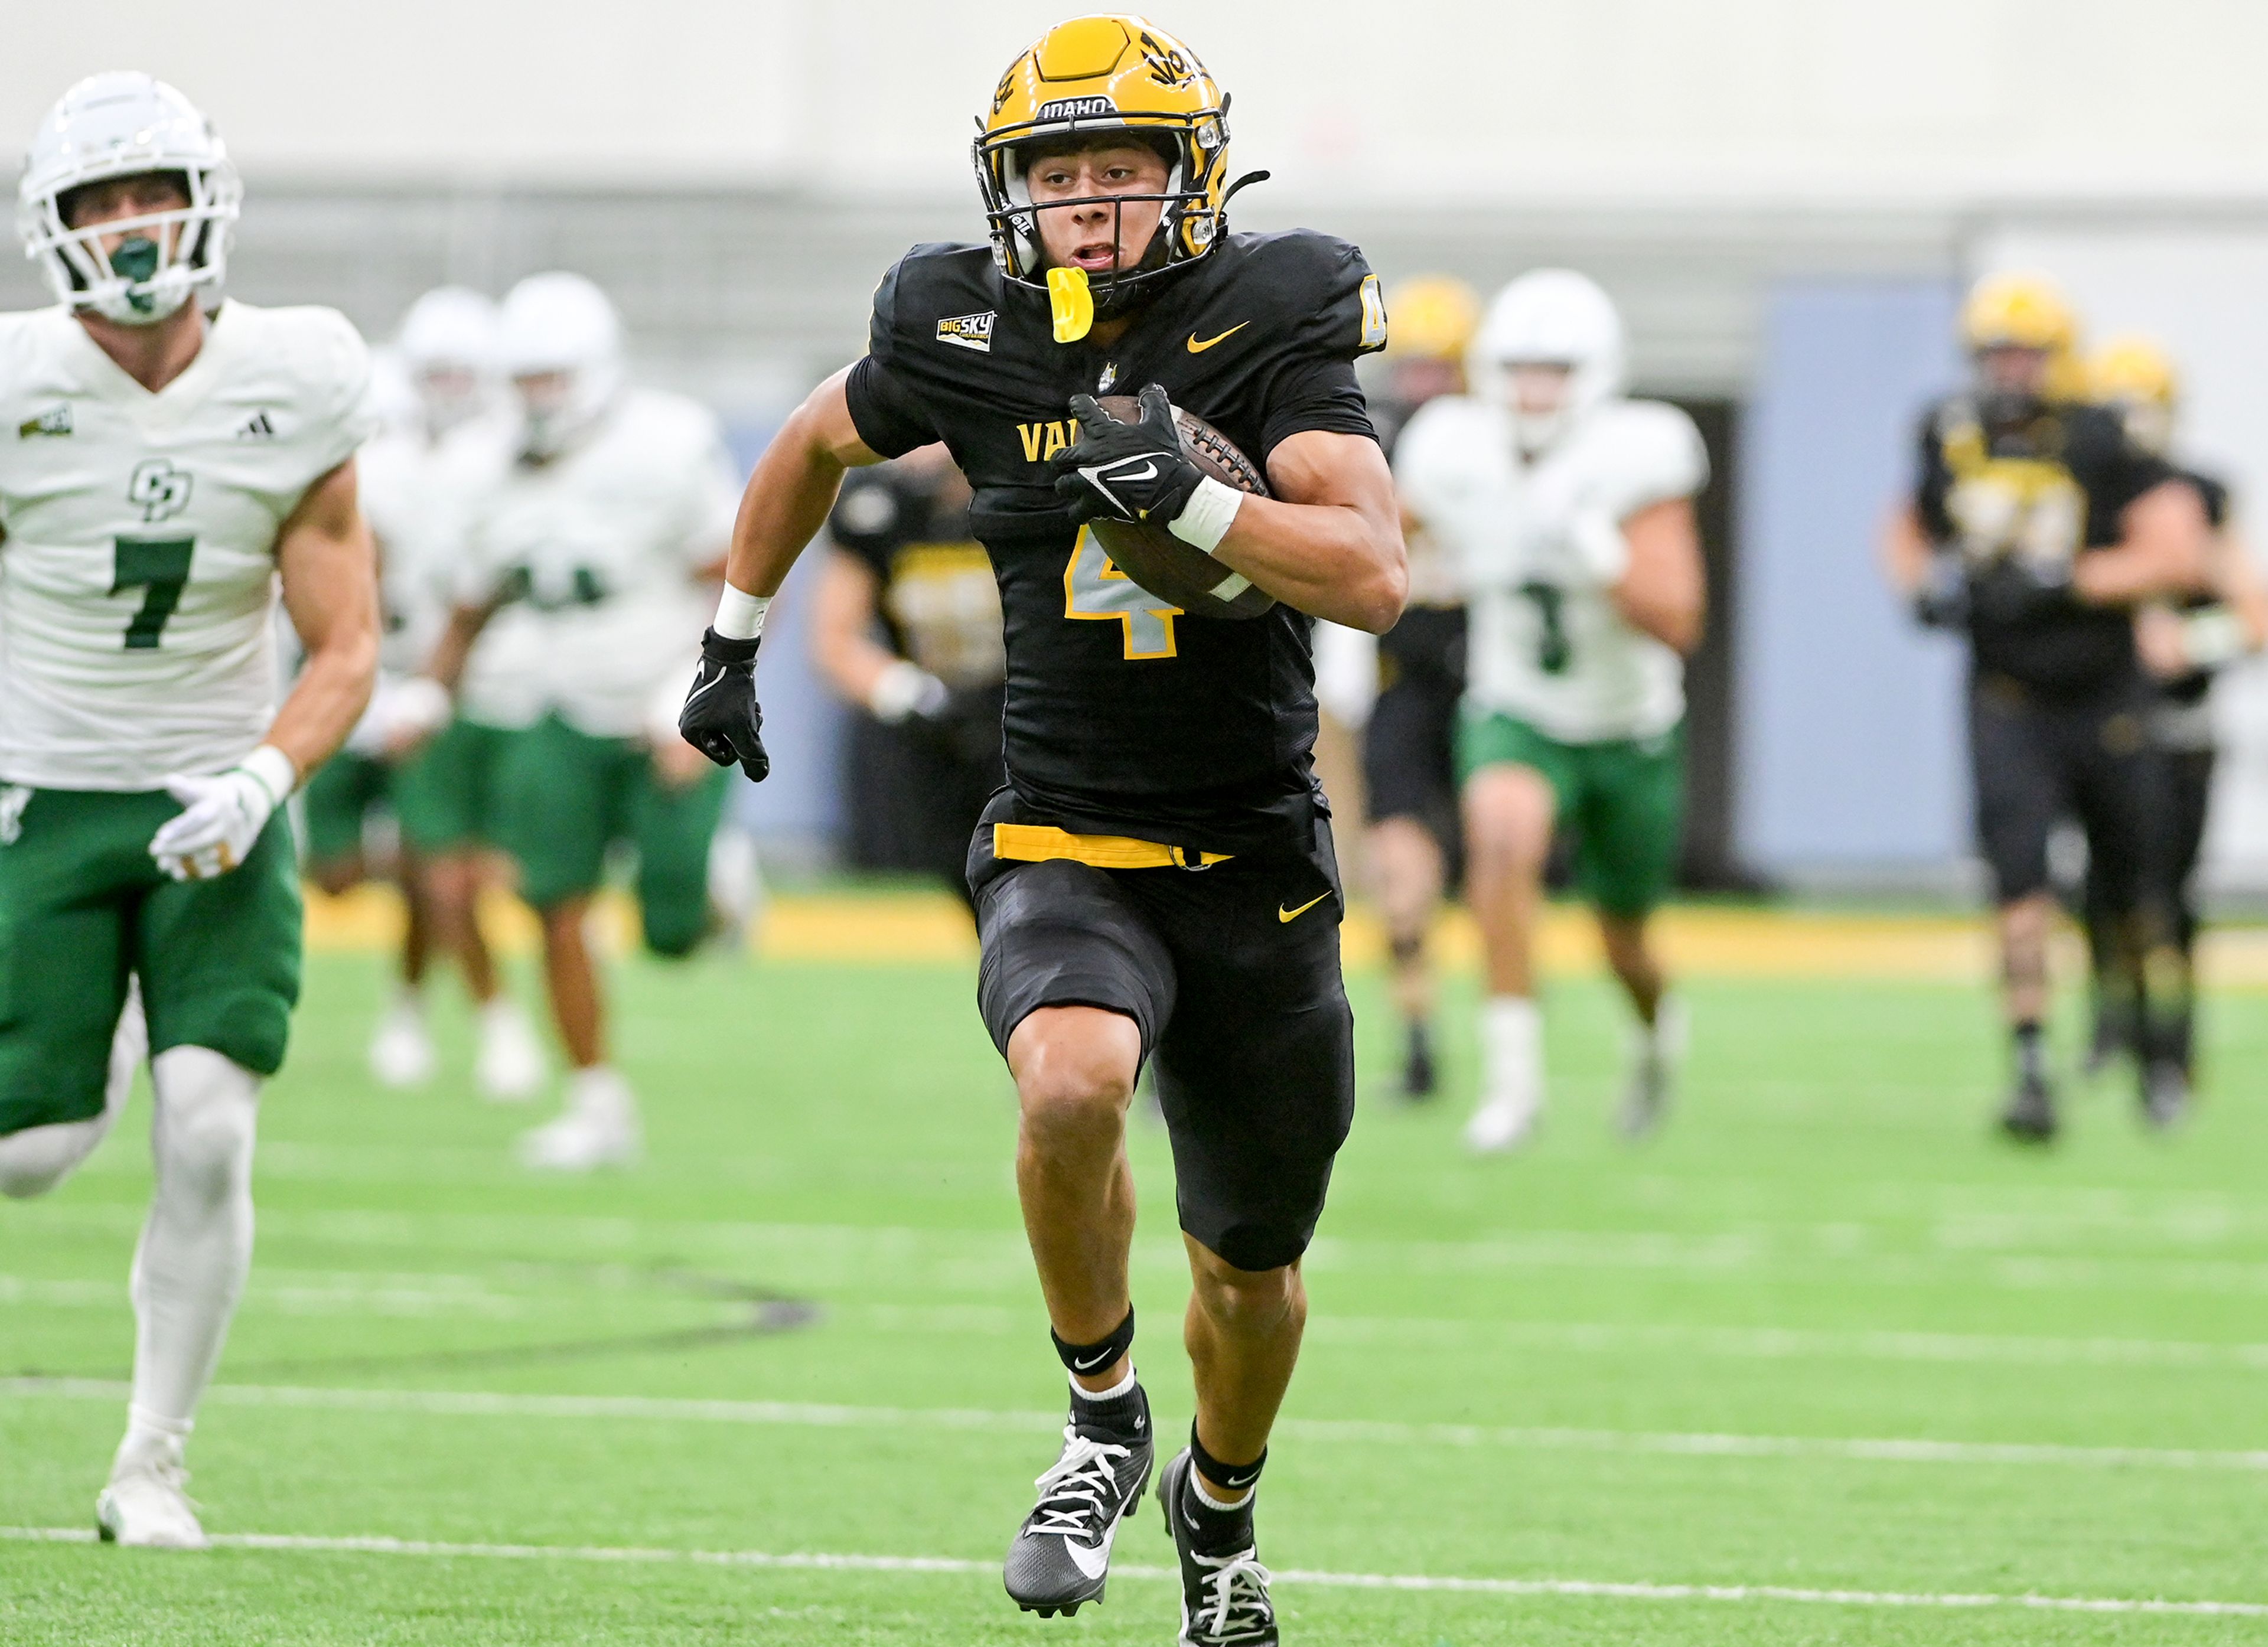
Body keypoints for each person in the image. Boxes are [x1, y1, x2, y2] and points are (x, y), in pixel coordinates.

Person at [677, 17, 1404, 1641]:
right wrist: (733, 634)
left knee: (1253, 1278)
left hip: (1257, 863)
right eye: (1054, 173)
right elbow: (808, 442)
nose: (1084, 202)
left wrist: (1195, 496)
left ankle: (1217, 1507)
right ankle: (1100, 1418)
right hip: (1066, 829)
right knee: (1070, 1076)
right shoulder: (959, 319)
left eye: (1118, 171)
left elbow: (1372, 573)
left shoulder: (1274, 311)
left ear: (1191, 177)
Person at [0, 73, 378, 1544]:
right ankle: (98, 1040)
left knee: (212, 1128)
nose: (131, 225)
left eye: (150, 190)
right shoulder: (19, 380)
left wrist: (265, 775)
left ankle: (152, 1459)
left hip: (217, 800)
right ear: (54, 226)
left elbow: (347, 641)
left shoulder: (299, 375)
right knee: (31, 1157)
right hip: (43, 798)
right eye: (99, 202)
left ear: (207, 199)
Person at [1881, 273, 2210, 1140]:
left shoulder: (2100, 435)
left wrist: (2074, 580)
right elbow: (1907, 524)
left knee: (2132, 891)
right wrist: (1920, 585)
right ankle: (2029, 1066)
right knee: (2019, 889)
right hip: (2006, 699)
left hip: (2104, 700)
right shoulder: (1949, 433)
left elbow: (2178, 549)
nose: (2011, 371)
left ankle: (2155, 1044)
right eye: (1997, 353)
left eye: (2026, 353)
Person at [427, 272, 743, 1170]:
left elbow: (739, 582)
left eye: (553, 379)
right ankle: (597, 1101)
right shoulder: (481, 467)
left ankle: (715, 884)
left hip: (667, 703)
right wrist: (425, 694)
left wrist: (693, 690)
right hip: (554, 705)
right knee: (551, 903)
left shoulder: (667, 442)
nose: (538, 401)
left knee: (671, 935)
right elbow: (470, 604)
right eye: (524, 381)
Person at [1396, 270, 1707, 1152]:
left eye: (1556, 372)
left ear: (1597, 374)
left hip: (1628, 722)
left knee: (1626, 940)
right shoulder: (1452, 446)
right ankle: (1513, 1085)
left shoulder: (1640, 451)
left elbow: (1679, 616)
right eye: (1521, 369)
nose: (1536, 391)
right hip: (1518, 704)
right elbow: (1386, 542)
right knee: (1501, 839)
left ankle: (1651, 1037)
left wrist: (1597, 552)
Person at [301, 287, 546, 1097]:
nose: (446, 388)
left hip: (465, 689)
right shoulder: (375, 448)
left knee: (444, 873)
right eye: (432, 371)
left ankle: (485, 1024)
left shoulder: (511, 453)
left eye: (461, 371)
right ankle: (412, 1004)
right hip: (361, 671)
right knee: (337, 872)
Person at [2078, 337, 2268, 1084]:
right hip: (2101, 722)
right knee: (2099, 886)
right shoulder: (2082, 493)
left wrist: (2189, 641)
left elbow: (2252, 614)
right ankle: (2112, 1020)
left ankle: (2175, 1036)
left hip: (2176, 725)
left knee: (2169, 890)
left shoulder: (2194, 493)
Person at [1312, 274, 1480, 1098]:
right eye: (1412, 368)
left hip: (1499, 678)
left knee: (1497, 857)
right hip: (1404, 676)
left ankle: (1498, 1048)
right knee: (1401, 869)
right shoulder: (1373, 443)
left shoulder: (1501, 443)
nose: (1424, 387)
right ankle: (1420, 1041)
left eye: (1439, 369)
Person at [810, 444, 1006, 910]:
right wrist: (911, 694)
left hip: (1030, 706)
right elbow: (834, 639)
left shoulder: (1034, 493)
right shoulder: (878, 506)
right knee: (963, 874)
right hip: (935, 718)